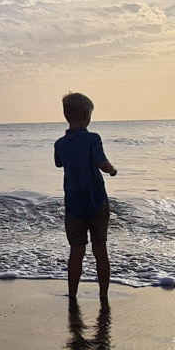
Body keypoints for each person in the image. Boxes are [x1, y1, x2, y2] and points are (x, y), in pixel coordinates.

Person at [55, 92, 118, 306]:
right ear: (86, 115)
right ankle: (103, 295)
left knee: (76, 250)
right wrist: (113, 170)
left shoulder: (60, 143)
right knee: (100, 247)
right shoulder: (93, 138)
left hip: (73, 204)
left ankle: (72, 295)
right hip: (96, 201)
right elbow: (102, 163)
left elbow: (59, 163)